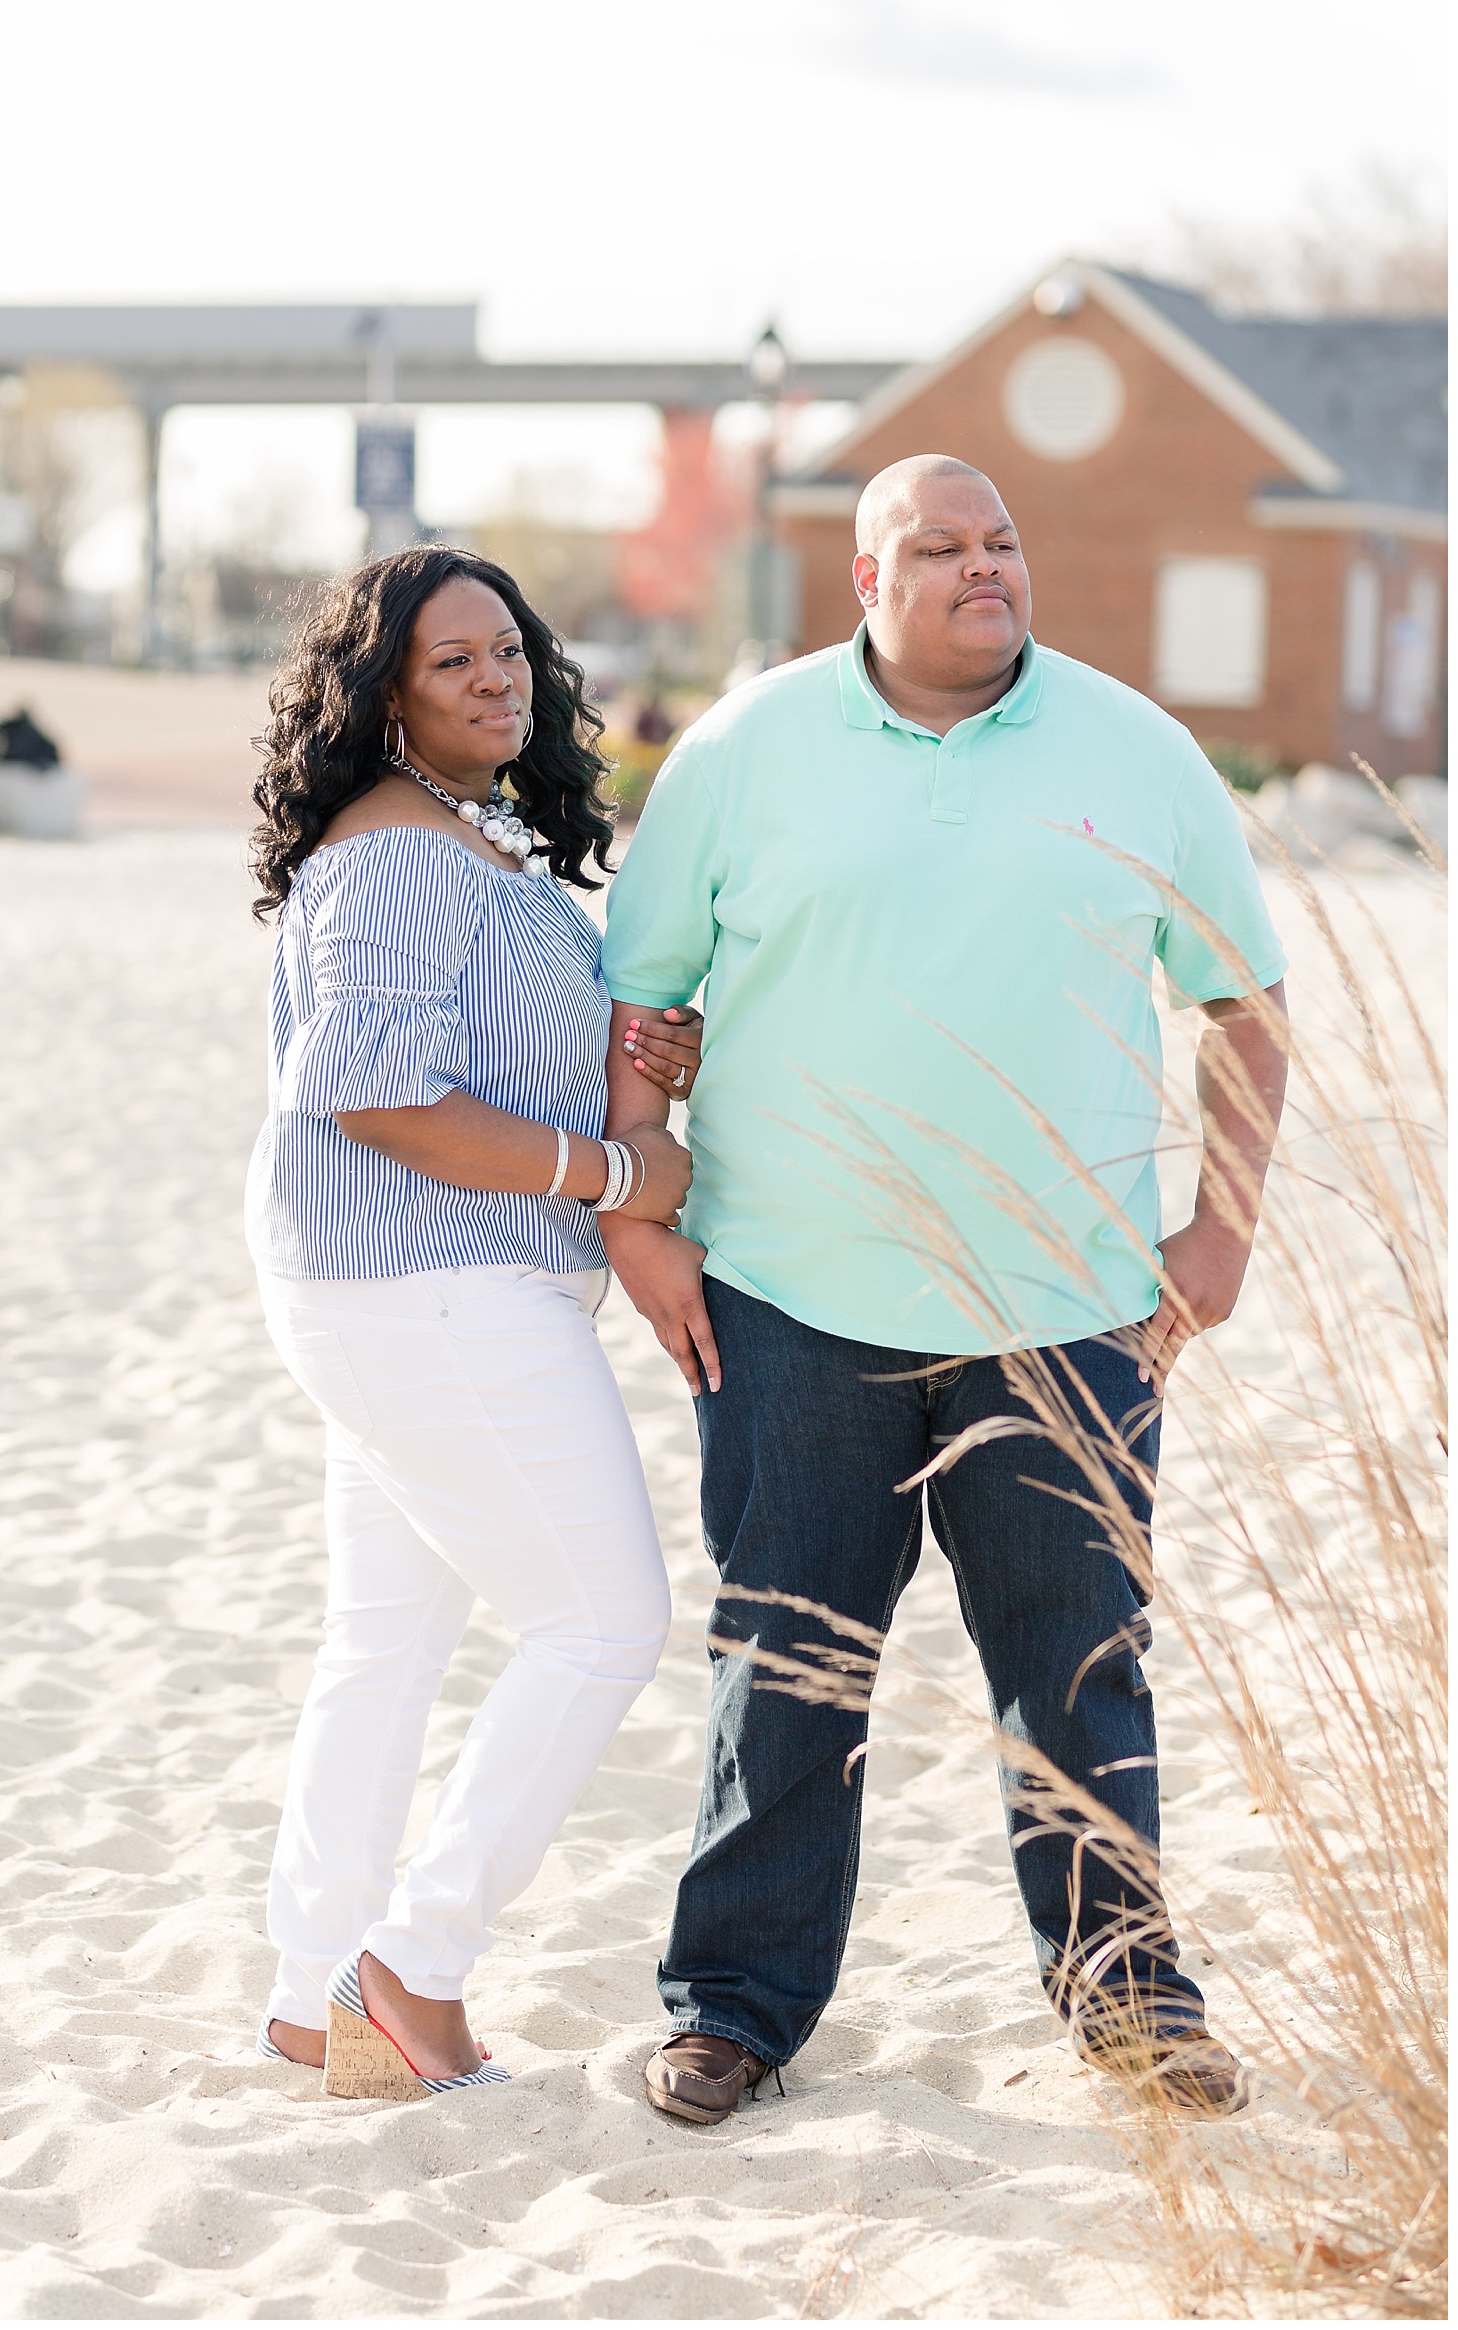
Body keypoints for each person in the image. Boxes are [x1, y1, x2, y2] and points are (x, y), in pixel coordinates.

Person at [598, 455, 1290, 2126]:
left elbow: (1245, 1005)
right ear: (865, 580)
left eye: (1004, 542)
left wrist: (1223, 1231)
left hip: (1065, 1314)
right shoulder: (745, 750)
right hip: (790, 1300)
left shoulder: (1140, 752)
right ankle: (736, 2010)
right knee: (790, 1662)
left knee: (1079, 1666)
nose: (986, 568)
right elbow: (642, 992)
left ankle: (1128, 2000)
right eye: (941, 547)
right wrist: (636, 1206)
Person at [245, 545, 703, 2100]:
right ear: (382, 695)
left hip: (414, 1289)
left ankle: (315, 1994)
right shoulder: (387, 858)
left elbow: (495, 1060)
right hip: (426, 1285)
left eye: (507, 649)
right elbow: (376, 1097)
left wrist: (635, 1052)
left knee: (387, 1640)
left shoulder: (473, 840)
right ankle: (413, 1966)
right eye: (453, 661)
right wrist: (617, 1166)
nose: (497, 676)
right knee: (606, 1621)